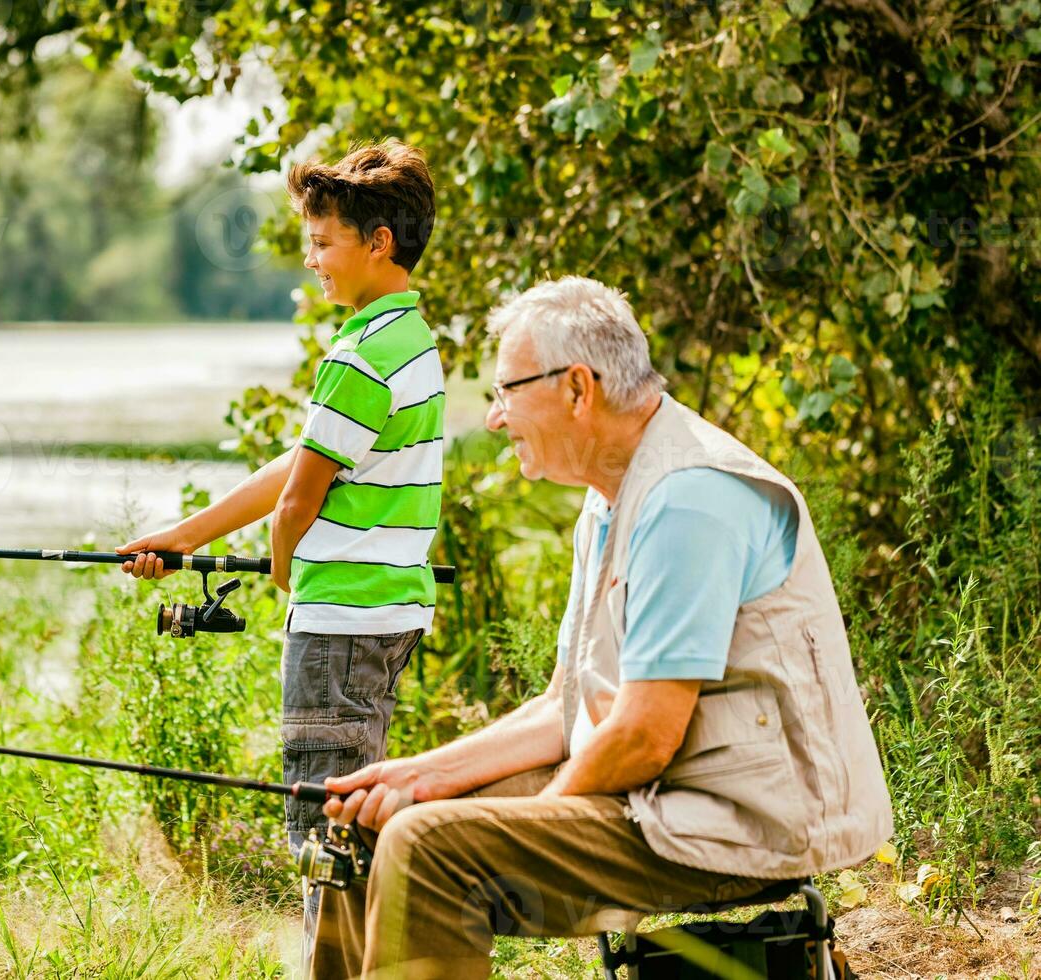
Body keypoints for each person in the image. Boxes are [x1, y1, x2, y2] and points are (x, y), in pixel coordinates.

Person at [311, 276, 893, 979]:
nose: (495, 418)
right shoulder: (612, 496)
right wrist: (417, 775)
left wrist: (524, 829)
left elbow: (645, 735)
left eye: (506, 391)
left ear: (577, 389)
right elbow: (567, 709)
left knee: (434, 847)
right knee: (367, 828)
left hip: (737, 825)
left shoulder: (690, 501)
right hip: (659, 800)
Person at [116, 140, 443, 958]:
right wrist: (188, 536)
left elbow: (297, 501)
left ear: (379, 243)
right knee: (353, 815)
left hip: (337, 624)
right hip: (386, 616)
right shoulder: (411, 342)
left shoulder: (360, 354)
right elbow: (302, 464)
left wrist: (283, 573)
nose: (312, 260)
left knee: (323, 833)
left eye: (324, 242)